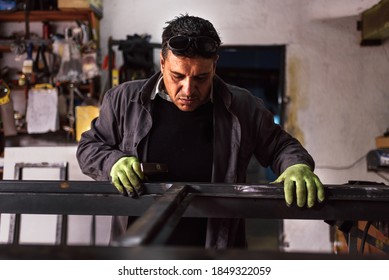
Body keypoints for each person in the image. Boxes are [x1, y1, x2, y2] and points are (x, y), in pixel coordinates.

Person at [76, 14, 325, 249]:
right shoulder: (123, 100)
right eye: (178, 76)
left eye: (200, 78)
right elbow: (89, 147)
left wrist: (296, 167)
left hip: (216, 251)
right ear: (162, 63)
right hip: (141, 251)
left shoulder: (243, 106)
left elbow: (282, 146)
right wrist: (113, 163)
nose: (188, 89)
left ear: (214, 66)